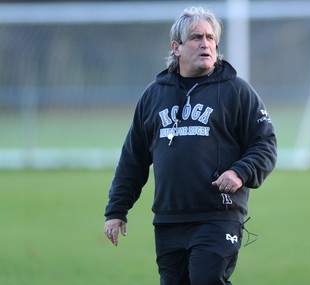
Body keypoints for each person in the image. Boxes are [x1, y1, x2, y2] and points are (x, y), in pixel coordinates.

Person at [104, 6, 277, 285]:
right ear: (176, 47)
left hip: (218, 215)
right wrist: (116, 210)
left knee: (207, 279)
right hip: (169, 218)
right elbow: (132, 159)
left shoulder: (236, 91)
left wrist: (239, 172)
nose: (206, 44)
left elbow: (265, 143)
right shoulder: (154, 95)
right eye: (197, 37)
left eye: (211, 38)